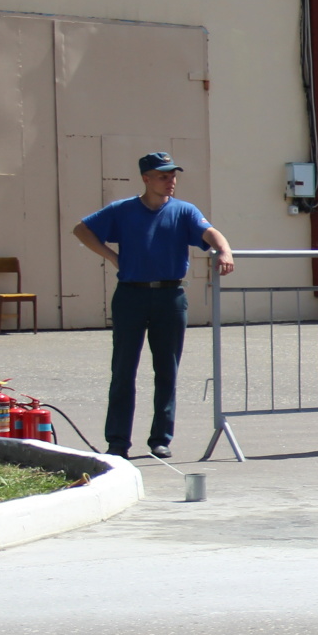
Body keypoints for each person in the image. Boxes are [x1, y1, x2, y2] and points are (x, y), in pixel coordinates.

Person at [72, 151, 236, 459]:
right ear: (146, 179)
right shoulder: (122, 210)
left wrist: (224, 252)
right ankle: (118, 441)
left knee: (167, 370)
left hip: (170, 296)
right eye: (163, 176)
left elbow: (212, 233)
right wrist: (111, 256)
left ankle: (161, 438)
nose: (170, 181)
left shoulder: (184, 211)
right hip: (131, 295)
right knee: (123, 370)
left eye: (173, 175)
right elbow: (82, 229)